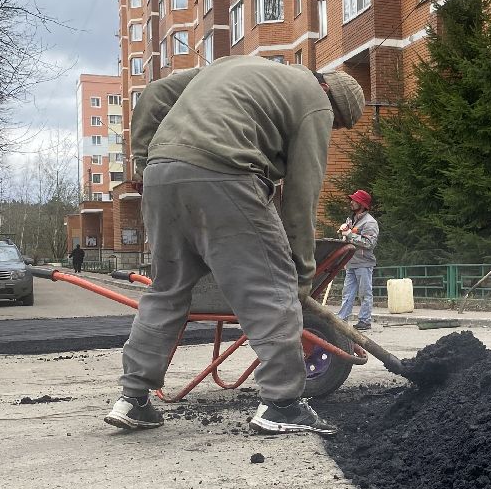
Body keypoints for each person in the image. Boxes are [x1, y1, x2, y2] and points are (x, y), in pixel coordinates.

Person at [103, 55, 365, 436]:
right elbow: (302, 195)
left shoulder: (237, 64)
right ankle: (281, 405)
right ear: (335, 104)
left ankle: (133, 399)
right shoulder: (315, 102)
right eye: (337, 125)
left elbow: (156, 94)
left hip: (162, 177)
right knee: (271, 291)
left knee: (167, 290)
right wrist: (300, 272)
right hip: (224, 174)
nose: (331, 128)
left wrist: (145, 161)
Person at [336, 189, 379, 330]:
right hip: (350, 262)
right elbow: (347, 239)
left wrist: (349, 235)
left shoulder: (370, 223)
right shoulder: (352, 220)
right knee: (347, 293)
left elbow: (369, 243)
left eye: (355, 200)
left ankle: (365, 321)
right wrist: (343, 232)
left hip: (364, 263)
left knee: (364, 293)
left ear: (362, 204)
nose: (351, 202)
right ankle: (341, 320)